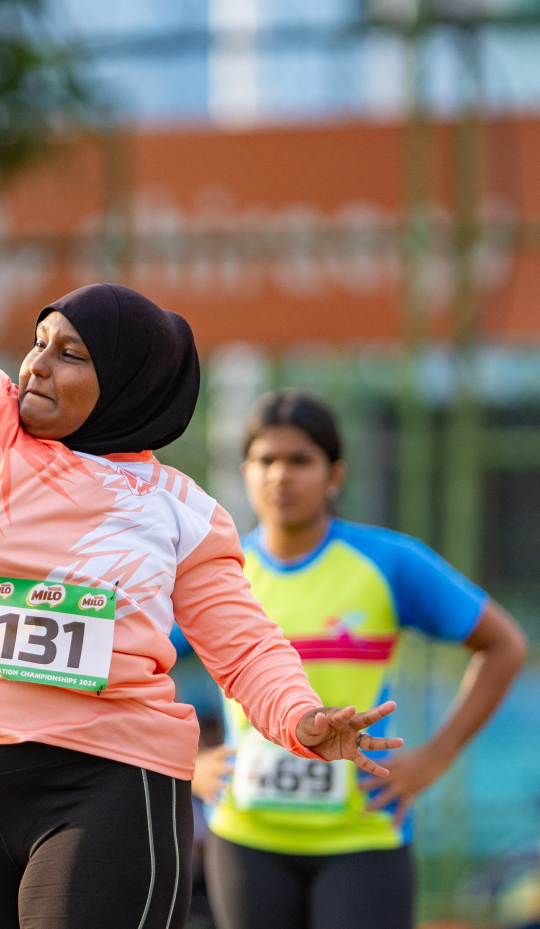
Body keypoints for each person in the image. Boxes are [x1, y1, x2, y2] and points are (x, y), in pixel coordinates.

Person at [0, 126, 401, 929]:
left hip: (111, 779)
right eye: (38, 341)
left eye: (70, 353)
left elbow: (243, 642)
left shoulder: (180, 509)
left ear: (129, 384)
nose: (37, 364)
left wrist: (302, 718)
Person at [192, 390, 527, 929]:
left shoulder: (387, 562)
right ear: (245, 471)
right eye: (266, 460)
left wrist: (435, 757)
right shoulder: (219, 573)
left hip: (364, 837)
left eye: (299, 460)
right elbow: (141, 658)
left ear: (335, 475)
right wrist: (189, 762)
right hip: (245, 839)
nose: (281, 476)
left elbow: (505, 645)